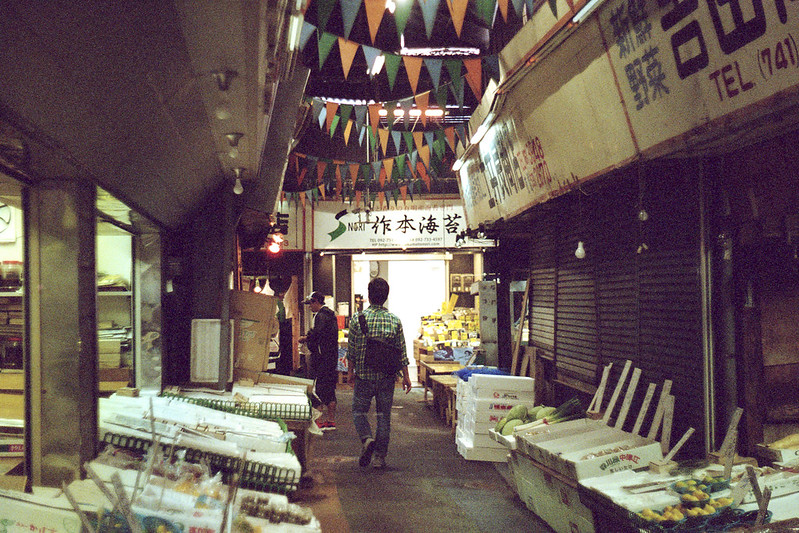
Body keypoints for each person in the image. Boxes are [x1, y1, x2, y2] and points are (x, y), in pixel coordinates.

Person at [347, 277, 412, 469]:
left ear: (368, 296)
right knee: (383, 416)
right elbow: (401, 350)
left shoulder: (357, 319)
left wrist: (350, 372)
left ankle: (367, 439)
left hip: (364, 376)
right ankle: (379, 458)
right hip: (386, 377)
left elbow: (351, 350)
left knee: (359, 412)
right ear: (386, 296)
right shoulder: (395, 320)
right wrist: (406, 376)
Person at [299, 291, 339, 430]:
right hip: (332, 358)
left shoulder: (320, 316)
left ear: (316, 302)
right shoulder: (331, 315)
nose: (309, 307)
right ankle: (331, 420)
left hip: (322, 358)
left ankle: (320, 421)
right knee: (330, 388)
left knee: (319, 389)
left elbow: (317, 335)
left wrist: (305, 338)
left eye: (310, 304)